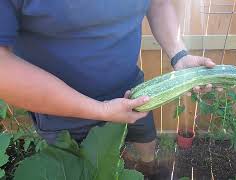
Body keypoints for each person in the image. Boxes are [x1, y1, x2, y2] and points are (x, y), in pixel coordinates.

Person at [0, 0, 215, 178]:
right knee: (92, 173)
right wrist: (100, 109)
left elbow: (158, 3)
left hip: (134, 91)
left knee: (145, 142)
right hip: (65, 112)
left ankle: (147, 169)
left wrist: (180, 54)